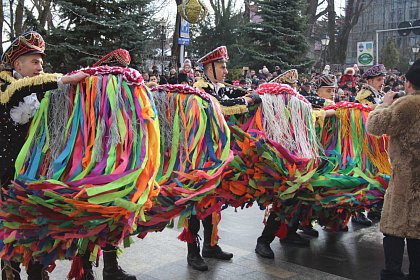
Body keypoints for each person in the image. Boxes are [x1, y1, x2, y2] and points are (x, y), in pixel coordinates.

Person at [0, 31, 88, 280]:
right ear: (18, 64)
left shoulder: (41, 86)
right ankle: (10, 271)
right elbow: (19, 91)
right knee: (11, 224)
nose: (41, 67)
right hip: (7, 173)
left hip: (37, 171)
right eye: (35, 62)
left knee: (36, 221)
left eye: (42, 62)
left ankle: (37, 271)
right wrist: (63, 79)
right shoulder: (5, 85)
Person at [189, 46, 260, 271]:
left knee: (214, 199)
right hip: (199, 154)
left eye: (225, 66)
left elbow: (231, 95)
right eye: (222, 66)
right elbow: (220, 107)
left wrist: (254, 94)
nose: (226, 70)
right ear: (209, 67)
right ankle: (192, 253)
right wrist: (248, 100)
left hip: (218, 152)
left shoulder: (217, 87)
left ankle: (210, 245)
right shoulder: (200, 88)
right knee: (196, 202)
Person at [366, 58, 420, 280]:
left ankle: (392, 274)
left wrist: (385, 103)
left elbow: (375, 126)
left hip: (406, 182)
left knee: (394, 230)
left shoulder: (407, 104)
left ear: (408, 83)